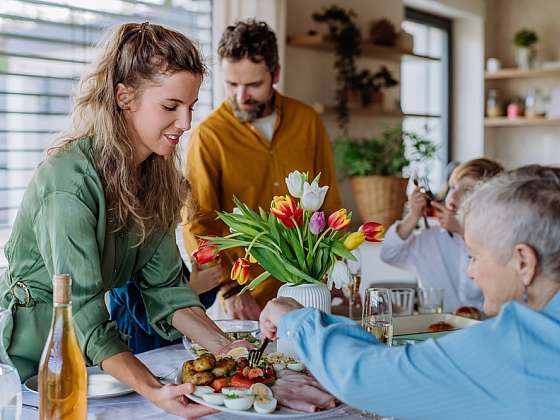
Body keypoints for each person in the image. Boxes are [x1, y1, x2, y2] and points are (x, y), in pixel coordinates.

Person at [0, 22, 244, 418]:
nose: (185, 123)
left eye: (191, 107)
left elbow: (166, 289)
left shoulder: (157, 178)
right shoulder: (68, 182)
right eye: (170, 107)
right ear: (123, 96)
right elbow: (81, 311)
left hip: (87, 362)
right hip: (23, 363)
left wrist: (228, 347)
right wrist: (154, 390)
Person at [260, 166, 560, 419]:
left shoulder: (518, 345)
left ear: (523, 262)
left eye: (475, 256)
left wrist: (295, 317)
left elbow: (364, 377)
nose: (471, 271)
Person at [183, 19, 342, 320]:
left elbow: (329, 201)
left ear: (275, 74)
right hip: (243, 298)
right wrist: (228, 288)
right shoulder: (208, 136)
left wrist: (334, 272)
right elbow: (198, 223)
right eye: (232, 84)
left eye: (254, 85)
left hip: (307, 289)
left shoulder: (307, 121)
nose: (241, 96)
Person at [380, 158, 504, 312]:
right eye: (452, 187)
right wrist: (413, 215)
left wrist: (463, 231)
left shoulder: (501, 245)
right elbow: (388, 254)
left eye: (467, 190)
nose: (453, 195)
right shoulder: (429, 238)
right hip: (436, 329)